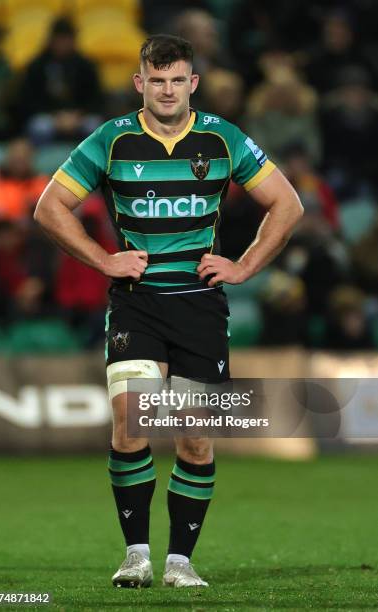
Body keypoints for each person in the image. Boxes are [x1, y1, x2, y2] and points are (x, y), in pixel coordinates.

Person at [34, 34, 303, 589]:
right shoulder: (111, 141)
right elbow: (50, 207)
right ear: (140, 83)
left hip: (201, 308)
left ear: (193, 84)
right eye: (156, 81)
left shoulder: (222, 138)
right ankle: (136, 555)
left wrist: (246, 265)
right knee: (132, 425)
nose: (167, 90)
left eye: (177, 80)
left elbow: (287, 203)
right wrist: (102, 259)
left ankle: (181, 562)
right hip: (137, 307)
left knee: (193, 438)